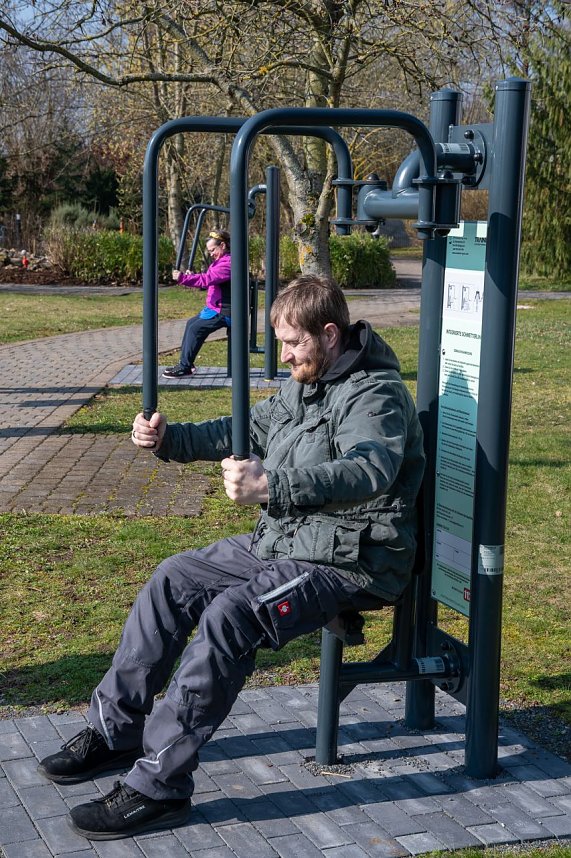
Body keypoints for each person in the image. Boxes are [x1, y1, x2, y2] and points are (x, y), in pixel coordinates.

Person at [38, 275, 425, 841]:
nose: (283, 355)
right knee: (174, 578)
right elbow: (241, 429)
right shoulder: (305, 385)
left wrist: (273, 486)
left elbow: (370, 468)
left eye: (292, 343)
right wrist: (169, 439)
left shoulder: (374, 395)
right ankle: (115, 730)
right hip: (290, 541)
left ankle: (160, 786)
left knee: (232, 617)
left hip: (348, 559)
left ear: (329, 334)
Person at [163, 229, 232, 378]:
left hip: (225, 311)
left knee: (195, 329)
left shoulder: (227, 264)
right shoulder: (220, 262)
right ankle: (186, 363)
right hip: (215, 308)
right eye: (209, 251)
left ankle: (185, 367)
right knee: (191, 324)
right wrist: (192, 277)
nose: (211, 254)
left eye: (213, 250)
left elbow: (207, 279)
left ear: (223, 245)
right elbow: (211, 280)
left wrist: (183, 278)